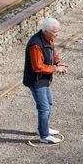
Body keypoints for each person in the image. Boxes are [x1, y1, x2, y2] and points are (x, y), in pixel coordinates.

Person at [24, 17, 69, 147]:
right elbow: (38, 66)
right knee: (44, 108)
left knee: (49, 103)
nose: (57, 34)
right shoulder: (35, 45)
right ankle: (43, 136)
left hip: (44, 79)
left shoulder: (48, 39)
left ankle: (44, 128)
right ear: (47, 31)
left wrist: (58, 62)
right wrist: (56, 68)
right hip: (36, 81)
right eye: (55, 32)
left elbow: (52, 53)